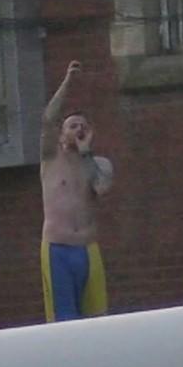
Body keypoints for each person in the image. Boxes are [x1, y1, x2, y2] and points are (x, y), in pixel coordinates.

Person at [39, 60, 114, 322]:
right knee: (63, 320)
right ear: (61, 135)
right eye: (72, 126)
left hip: (87, 248)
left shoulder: (97, 163)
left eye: (83, 126)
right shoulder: (50, 158)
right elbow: (48, 118)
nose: (78, 129)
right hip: (57, 248)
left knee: (97, 318)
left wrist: (86, 154)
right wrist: (68, 82)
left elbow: (101, 188)